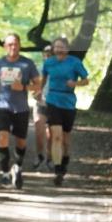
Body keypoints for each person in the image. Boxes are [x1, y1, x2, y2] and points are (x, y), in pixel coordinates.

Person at [0, 33, 39, 190]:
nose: (13, 47)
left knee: (20, 141)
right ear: (5, 46)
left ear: (20, 45)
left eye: (15, 44)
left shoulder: (27, 64)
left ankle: (17, 166)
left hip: (21, 108)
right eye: (9, 44)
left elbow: (37, 85)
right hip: (3, 106)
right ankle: (4, 173)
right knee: (3, 136)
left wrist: (23, 87)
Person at [41, 37, 90, 186]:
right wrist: (39, 91)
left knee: (66, 140)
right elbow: (44, 78)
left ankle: (64, 162)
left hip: (68, 102)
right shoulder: (49, 62)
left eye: (62, 47)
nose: (59, 50)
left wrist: (75, 83)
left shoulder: (74, 62)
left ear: (67, 49)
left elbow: (86, 80)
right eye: (57, 47)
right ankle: (57, 170)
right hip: (52, 100)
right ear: (53, 49)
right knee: (56, 136)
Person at [32, 45, 53, 171]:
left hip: (55, 104)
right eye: (46, 52)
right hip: (41, 104)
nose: (48, 54)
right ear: (42, 54)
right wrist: (35, 94)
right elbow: (32, 86)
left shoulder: (59, 69)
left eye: (51, 52)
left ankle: (50, 158)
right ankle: (39, 155)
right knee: (39, 131)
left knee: (51, 133)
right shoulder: (38, 69)